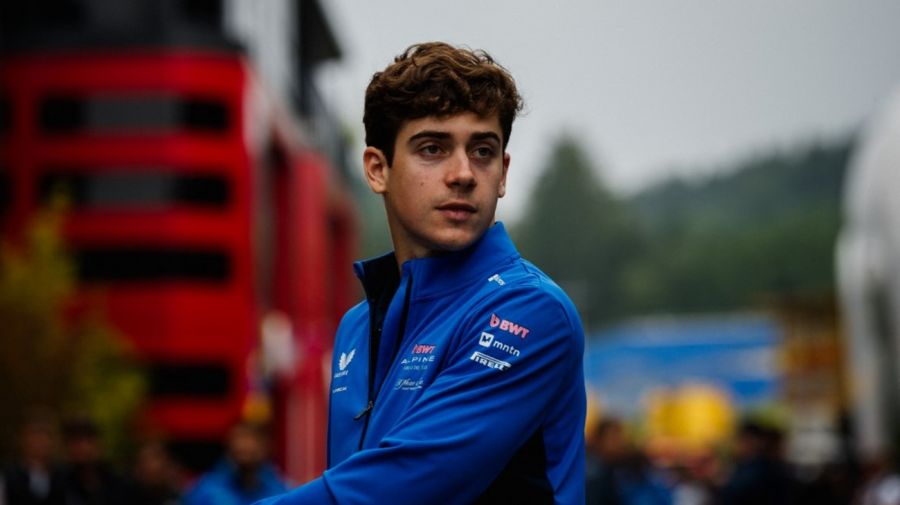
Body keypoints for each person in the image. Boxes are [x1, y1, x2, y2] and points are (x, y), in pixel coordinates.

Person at [256, 41, 586, 504]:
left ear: (503, 173)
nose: (464, 173)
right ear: (377, 169)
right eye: (433, 148)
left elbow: (395, 488)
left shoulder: (531, 311)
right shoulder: (356, 327)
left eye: (483, 151)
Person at [183, 422, 287, 505]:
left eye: (251, 440)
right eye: (239, 439)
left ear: (265, 449)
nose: (244, 445)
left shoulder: (280, 491)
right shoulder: (207, 490)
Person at [3, 412, 66, 505]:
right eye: (35, 435)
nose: (40, 441)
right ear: (23, 439)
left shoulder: (63, 475)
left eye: (46, 435)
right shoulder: (8, 476)